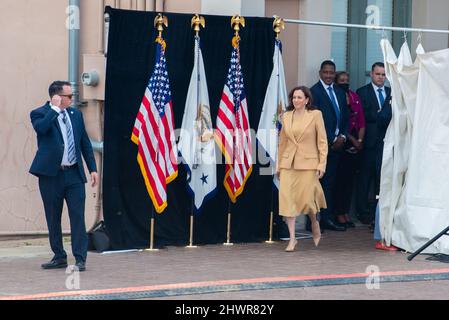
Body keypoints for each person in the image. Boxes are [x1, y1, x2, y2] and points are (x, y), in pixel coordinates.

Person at [29, 81, 98, 271]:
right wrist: (54, 109)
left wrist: (92, 168)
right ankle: (59, 256)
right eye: (69, 96)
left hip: (74, 174)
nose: (72, 99)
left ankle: (80, 258)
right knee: (53, 217)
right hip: (51, 176)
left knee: (77, 216)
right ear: (56, 97)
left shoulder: (76, 115)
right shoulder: (40, 113)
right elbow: (41, 129)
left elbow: (84, 143)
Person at [276, 86, 328, 252]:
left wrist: (321, 164)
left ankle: (314, 221)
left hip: (308, 164)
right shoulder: (286, 116)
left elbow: (322, 141)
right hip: (288, 164)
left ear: (307, 100)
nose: (296, 100)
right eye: (294, 98)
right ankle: (292, 239)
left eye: (299, 97)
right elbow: (282, 142)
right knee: (287, 200)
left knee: (307, 200)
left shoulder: (315, 115)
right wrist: (279, 164)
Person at [311, 61, 350, 232]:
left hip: (338, 146)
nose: (328, 75)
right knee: (318, 183)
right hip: (321, 146)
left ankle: (327, 218)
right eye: (325, 72)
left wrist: (342, 136)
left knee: (331, 184)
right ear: (320, 73)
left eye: (331, 72)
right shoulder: (314, 92)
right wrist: (330, 140)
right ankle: (315, 220)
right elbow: (314, 121)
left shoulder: (340, 92)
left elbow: (345, 117)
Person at [355, 63, 392, 227]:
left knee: (382, 180)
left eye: (384, 75)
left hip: (387, 142)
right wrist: (380, 115)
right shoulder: (362, 92)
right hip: (369, 143)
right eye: (378, 74)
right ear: (371, 74)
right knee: (365, 179)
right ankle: (363, 213)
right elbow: (363, 115)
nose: (381, 77)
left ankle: (378, 214)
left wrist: (380, 115)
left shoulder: (391, 92)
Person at [333, 71, 366, 228]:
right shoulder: (337, 96)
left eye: (347, 80)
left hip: (355, 143)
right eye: (341, 80)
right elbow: (342, 122)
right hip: (343, 141)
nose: (345, 82)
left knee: (349, 182)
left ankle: (345, 212)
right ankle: (338, 212)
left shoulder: (354, 96)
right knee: (340, 181)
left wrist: (359, 140)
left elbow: (361, 120)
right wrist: (352, 140)